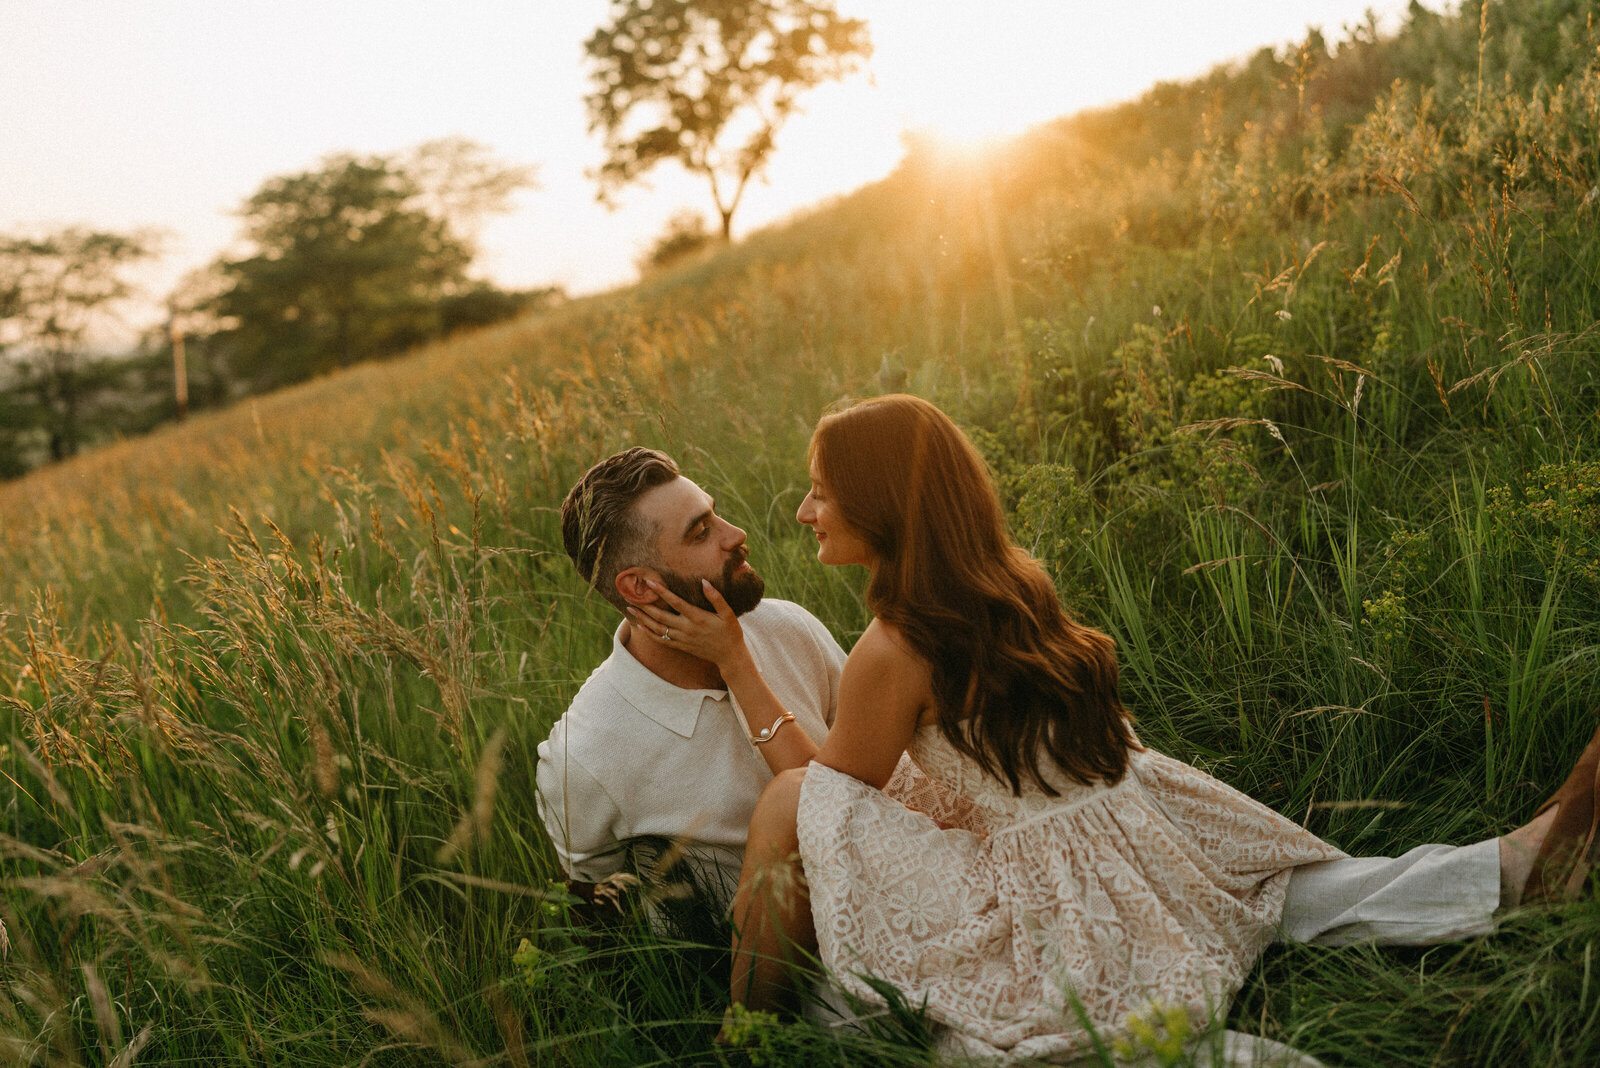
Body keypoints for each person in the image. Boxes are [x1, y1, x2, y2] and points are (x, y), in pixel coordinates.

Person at [623, 394, 1600, 1063]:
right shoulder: (1011, 578)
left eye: (822, 491)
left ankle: (743, 1042)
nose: (803, 510)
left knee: (799, 804)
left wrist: (735, 661)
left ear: (878, 506)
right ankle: (1511, 866)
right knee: (1278, 896)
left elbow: (828, 795)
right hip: (1129, 818)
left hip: (1063, 877)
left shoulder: (897, 643)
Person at [535, 446, 977, 909]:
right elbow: (593, 913)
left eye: (715, 514)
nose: (735, 534)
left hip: (913, 886)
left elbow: (885, 778)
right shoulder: (581, 756)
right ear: (640, 586)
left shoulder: (785, 625)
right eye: (701, 532)